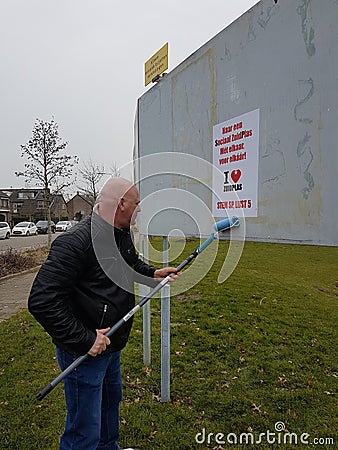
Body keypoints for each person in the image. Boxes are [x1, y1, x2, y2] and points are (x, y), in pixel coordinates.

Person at [28, 178, 179, 450]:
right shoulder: (76, 243)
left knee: (110, 405)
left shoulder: (121, 233)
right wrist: (85, 339)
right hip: (83, 352)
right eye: (137, 204)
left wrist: (152, 274)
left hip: (111, 346)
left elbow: (129, 265)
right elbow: (42, 300)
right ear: (121, 204)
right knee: (84, 428)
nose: (140, 210)